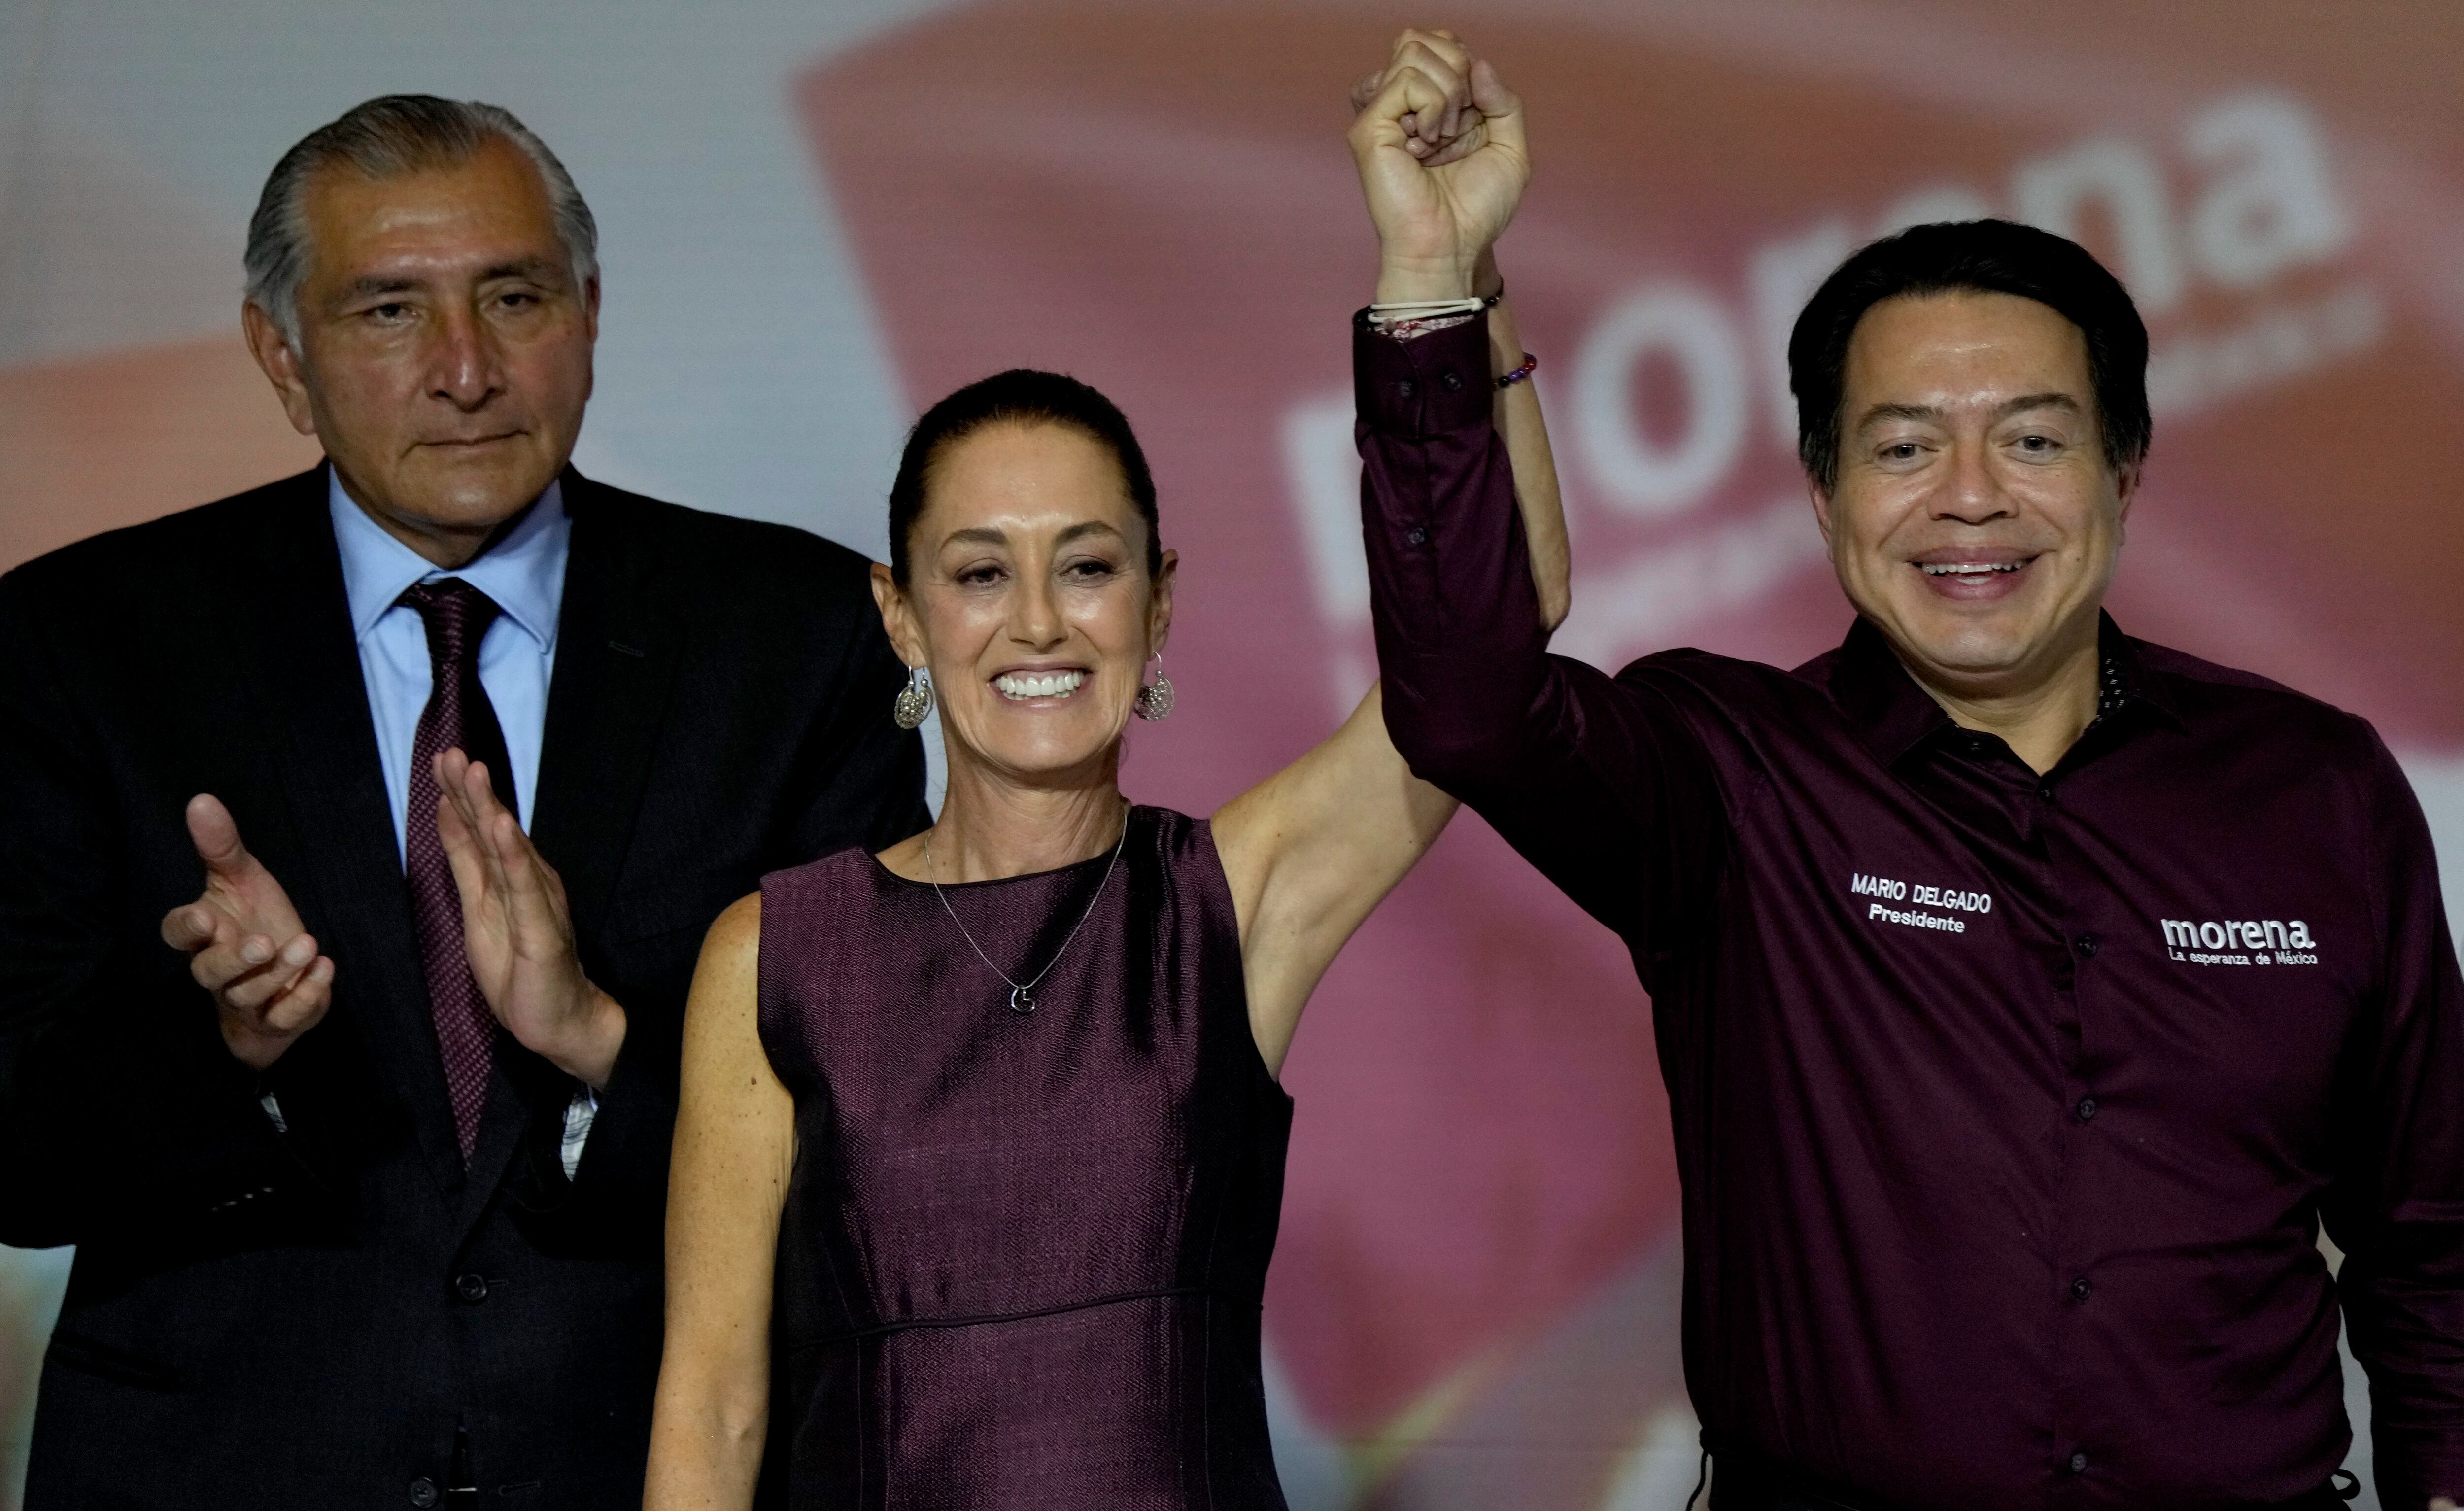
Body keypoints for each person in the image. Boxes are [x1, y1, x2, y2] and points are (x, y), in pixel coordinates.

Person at [1344, 28, 2464, 1511]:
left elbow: (2436, 1231)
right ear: (1820, 495)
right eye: (1904, 447)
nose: (1971, 500)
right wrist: (1436, 280)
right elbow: (1470, 705)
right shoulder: (1730, 776)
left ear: (2125, 473)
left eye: (2033, 438)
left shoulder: (2314, 787)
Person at [0, 96, 924, 1509]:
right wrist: (225, 1051)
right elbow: (14, 1153)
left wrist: (609, 1046)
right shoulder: (84, 643)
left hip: (649, 1470)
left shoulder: (801, 637)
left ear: (592, 311)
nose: (466, 369)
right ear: (282, 356)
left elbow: (880, 1122)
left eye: (514, 295)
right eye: (387, 311)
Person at [641, 351, 1566, 1506]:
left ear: (1158, 599)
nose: (1037, 623)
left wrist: (1450, 281)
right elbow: (712, 1408)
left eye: (1086, 567)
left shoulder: (1224, 901)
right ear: (901, 614)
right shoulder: (776, 958)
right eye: (981, 574)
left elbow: (1491, 633)